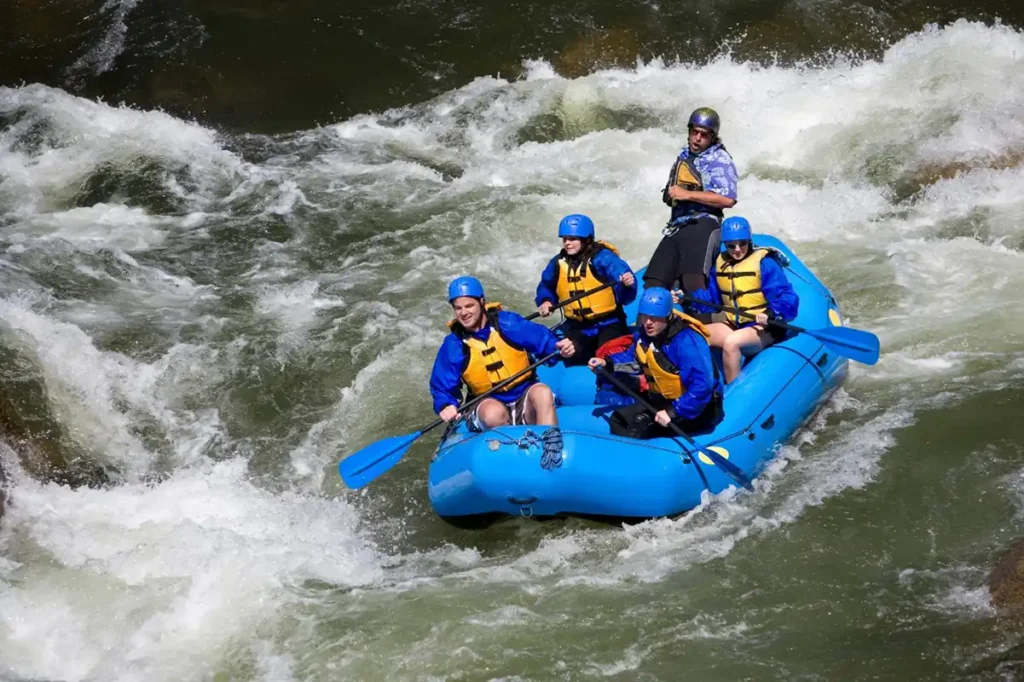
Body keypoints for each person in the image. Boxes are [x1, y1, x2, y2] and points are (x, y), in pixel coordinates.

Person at [430, 276, 575, 433]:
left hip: (523, 395)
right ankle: (511, 453)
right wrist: (445, 405)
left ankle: (549, 447)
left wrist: (559, 348)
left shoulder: (508, 323)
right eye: (458, 308)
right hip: (487, 403)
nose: (464, 313)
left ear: (482, 302)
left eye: (469, 306)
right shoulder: (454, 344)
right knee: (492, 413)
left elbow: (545, 341)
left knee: (542, 392)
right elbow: (442, 387)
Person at [588, 287, 723, 439]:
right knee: (618, 419)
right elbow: (633, 358)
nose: (648, 323)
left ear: (667, 316)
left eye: (654, 318)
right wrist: (607, 363)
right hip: (665, 401)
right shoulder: (645, 336)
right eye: (644, 317)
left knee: (639, 427)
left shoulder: (687, 341)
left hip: (698, 408)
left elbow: (702, 386)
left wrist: (674, 411)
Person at [644, 107, 739, 302]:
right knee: (653, 282)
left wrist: (687, 194)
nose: (697, 138)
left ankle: (705, 327)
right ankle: (651, 329)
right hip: (677, 227)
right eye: (694, 132)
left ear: (712, 137)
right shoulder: (684, 156)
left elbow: (728, 199)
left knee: (692, 282)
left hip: (703, 225)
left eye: (703, 135)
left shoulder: (719, 159)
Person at [699, 216, 800, 383]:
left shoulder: (765, 264)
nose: (737, 249)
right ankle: (706, 386)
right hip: (735, 324)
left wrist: (771, 313)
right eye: (731, 246)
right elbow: (712, 298)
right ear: (725, 245)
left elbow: (787, 296)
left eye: (742, 244)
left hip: (764, 328)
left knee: (731, 343)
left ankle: (734, 396)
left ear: (749, 241)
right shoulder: (720, 264)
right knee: (696, 335)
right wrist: (684, 299)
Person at [535, 213, 637, 365]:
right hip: (578, 327)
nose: (567, 243)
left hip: (609, 323)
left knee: (609, 353)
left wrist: (626, 282)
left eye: (572, 239)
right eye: (565, 239)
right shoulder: (557, 263)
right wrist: (546, 301)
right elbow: (546, 285)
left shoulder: (602, 258)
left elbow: (617, 270)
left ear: (587, 239)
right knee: (570, 351)